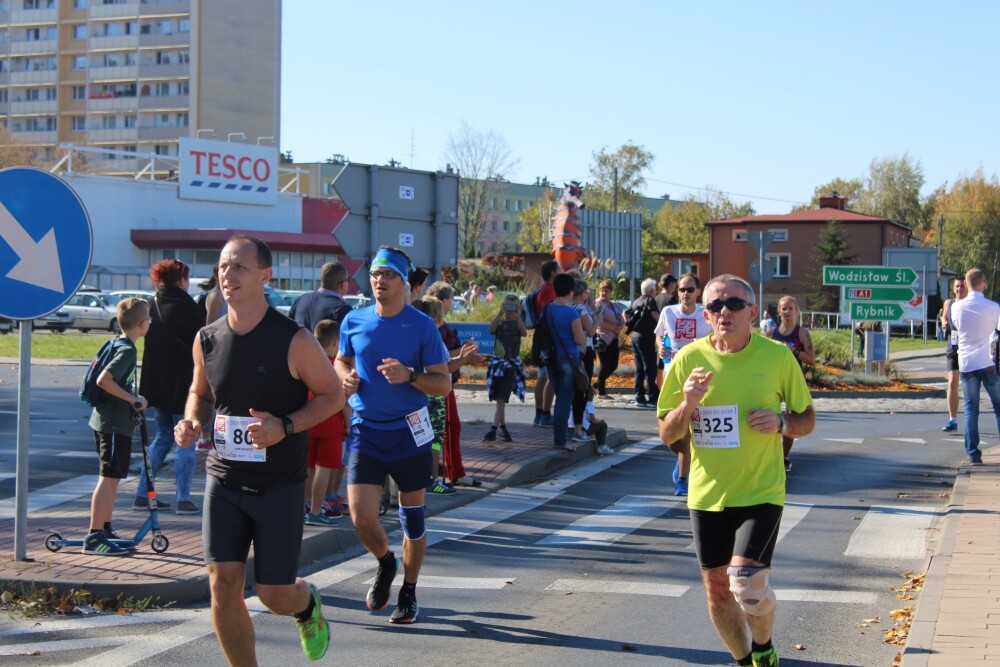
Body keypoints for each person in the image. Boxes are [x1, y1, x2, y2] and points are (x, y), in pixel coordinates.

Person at [173, 235, 343, 663]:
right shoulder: (206, 338)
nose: (227, 275)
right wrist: (191, 419)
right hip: (225, 478)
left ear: (265, 277)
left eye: (239, 267)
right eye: (223, 266)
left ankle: (307, 605)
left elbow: (332, 396)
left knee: (274, 594)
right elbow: (200, 392)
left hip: (279, 486)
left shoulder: (294, 340)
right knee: (222, 583)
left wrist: (284, 426)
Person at [657, 273, 815, 667]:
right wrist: (688, 404)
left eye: (732, 305)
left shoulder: (777, 356)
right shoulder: (688, 359)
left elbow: (807, 417)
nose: (723, 311)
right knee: (716, 588)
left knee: (746, 582)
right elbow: (666, 431)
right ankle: (747, 661)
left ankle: (763, 645)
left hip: (761, 490)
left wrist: (781, 424)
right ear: (706, 316)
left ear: (752, 312)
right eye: (714, 306)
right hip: (707, 493)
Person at [334, 246, 452, 625]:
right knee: (360, 517)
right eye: (374, 274)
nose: (379, 281)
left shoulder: (421, 326)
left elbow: (444, 384)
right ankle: (386, 562)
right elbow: (341, 358)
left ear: (403, 283)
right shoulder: (354, 320)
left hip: (409, 431)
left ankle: (409, 591)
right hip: (366, 431)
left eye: (388, 275)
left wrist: (411, 375)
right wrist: (344, 377)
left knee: (412, 520)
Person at [133, 259, 203, 515]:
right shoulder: (188, 307)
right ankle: (183, 498)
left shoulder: (150, 305)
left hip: (155, 384)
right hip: (182, 383)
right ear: (182, 280)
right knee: (186, 439)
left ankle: (142, 493)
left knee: (162, 436)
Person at [82, 297, 150, 556]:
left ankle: (105, 528)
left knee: (112, 479)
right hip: (111, 424)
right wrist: (133, 399)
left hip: (112, 423)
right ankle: (94, 536)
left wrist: (135, 398)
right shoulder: (127, 350)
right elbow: (104, 380)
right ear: (143, 324)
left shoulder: (117, 342)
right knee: (108, 480)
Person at [653, 272, 712, 495]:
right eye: (681, 290)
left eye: (689, 289)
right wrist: (660, 346)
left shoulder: (705, 315)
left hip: (697, 373)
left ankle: (683, 478)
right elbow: (659, 335)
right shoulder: (669, 312)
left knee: (689, 429)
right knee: (668, 427)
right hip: (672, 370)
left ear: (698, 291)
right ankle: (682, 459)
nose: (685, 294)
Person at [425, 280, 484, 487]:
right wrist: (463, 356)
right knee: (439, 433)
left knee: (441, 432)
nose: (452, 302)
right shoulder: (434, 331)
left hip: (441, 384)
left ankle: (448, 472)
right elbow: (442, 361)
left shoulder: (435, 330)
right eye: (450, 298)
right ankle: (439, 477)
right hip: (439, 387)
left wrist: (464, 356)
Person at [950, 268, 1000, 467]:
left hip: (966, 364)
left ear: (967, 284)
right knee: (998, 405)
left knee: (971, 407)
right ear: (984, 283)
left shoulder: (956, 307)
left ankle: (973, 453)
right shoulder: (993, 307)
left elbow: (956, 326)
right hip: (987, 362)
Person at [303, 319, 350, 527]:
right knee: (324, 468)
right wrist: (348, 424)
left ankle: (305, 506)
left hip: (309, 421)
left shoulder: (307, 363)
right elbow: (345, 401)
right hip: (331, 423)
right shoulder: (335, 368)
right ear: (336, 342)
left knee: (310, 467)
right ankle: (315, 511)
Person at [411, 296, 456, 496]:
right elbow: (446, 367)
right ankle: (432, 479)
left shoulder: (415, 335)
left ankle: (424, 477)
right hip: (434, 395)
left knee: (421, 438)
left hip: (419, 393)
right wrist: (464, 359)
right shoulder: (434, 337)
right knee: (434, 439)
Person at [540, 273, 586, 452]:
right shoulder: (571, 312)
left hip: (550, 359)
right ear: (571, 291)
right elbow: (580, 339)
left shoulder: (548, 309)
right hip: (569, 359)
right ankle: (560, 440)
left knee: (560, 398)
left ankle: (559, 438)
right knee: (564, 401)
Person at [769, 296, 816, 472]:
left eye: (790, 308)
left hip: (793, 380)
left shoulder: (802, 333)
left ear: (796, 311)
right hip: (773, 378)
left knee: (792, 416)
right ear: (779, 311)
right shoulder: (771, 333)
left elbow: (811, 360)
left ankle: (784, 456)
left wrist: (793, 350)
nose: (787, 312)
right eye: (783, 309)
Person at [484, 293, 527, 443]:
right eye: (507, 306)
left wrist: (518, 316)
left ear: (518, 308)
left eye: (512, 307)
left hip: (510, 365)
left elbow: (524, 333)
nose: (509, 310)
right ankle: (504, 430)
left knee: (501, 399)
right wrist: (500, 313)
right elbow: (491, 329)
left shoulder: (517, 323)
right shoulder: (500, 322)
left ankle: (493, 430)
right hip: (497, 363)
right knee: (498, 399)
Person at [532, 260, 560, 426]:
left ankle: (539, 414)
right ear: (552, 273)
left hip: (541, 336)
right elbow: (550, 315)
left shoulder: (541, 289)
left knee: (542, 377)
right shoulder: (549, 291)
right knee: (550, 377)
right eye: (558, 270)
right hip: (548, 338)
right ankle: (545, 414)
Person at [570, 279, 598, 443]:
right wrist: (598, 320)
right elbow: (591, 331)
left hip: (571, 350)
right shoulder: (580, 308)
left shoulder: (568, 307)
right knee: (582, 388)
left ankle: (576, 424)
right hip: (584, 351)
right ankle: (579, 427)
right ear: (582, 293)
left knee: (575, 390)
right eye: (587, 292)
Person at [289, 261, 352, 331]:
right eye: (348, 280)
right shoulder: (343, 309)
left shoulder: (300, 300)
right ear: (342, 284)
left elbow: (288, 330)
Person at [940, 277, 968, 432]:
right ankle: (953, 420)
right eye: (957, 286)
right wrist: (944, 322)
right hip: (953, 346)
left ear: (967, 288)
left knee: (970, 383)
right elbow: (944, 315)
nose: (959, 289)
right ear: (953, 289)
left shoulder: (969, 304)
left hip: (968, 347)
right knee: (952, 383)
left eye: (962, 286)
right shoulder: (949, 303)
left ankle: (971, 418)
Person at [628, 278, 661, 408]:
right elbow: (655, 315)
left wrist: (637, 326)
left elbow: (626, 314)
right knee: (650, 367)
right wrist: (662, 324)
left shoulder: (636, 301)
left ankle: (639, 396)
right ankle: (652, 397)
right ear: (651, 290)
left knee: (639, 368)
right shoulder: (650, 300)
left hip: (636, 336)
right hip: (646, 337)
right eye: (655, 290)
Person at [594, 279, 625, 398]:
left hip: (614, 339)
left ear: (610, 292)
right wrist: (614, 328)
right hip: (603, 338)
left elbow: (622, 320)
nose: (604, 293)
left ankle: (596, 385)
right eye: (602, 291)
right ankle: (601, 392)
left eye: (606, 291)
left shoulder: (614, 305)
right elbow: (600, 323)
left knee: (613, 365)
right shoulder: (597, 304)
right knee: (604, 364)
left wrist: (619, 328)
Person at [570, 385, 612, 455]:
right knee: (603, 425)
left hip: (572, 428)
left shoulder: (573, 403)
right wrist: (600, 420)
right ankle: (601, 446)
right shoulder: (588, 404)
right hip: (584, 429)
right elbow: (593, 420)